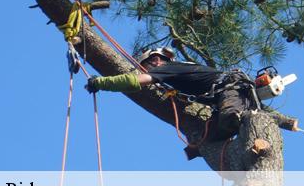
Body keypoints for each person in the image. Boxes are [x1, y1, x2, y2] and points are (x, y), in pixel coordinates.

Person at [85, 47, 260, 140]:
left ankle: (248, 126)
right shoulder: (178, 73)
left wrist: (101, 82)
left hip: (232, 92)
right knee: (207, 139)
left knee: (230, 118)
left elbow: (136, 81)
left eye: (144, 68)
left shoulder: (167, 68)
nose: (145, 71)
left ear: (155, 60)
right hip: (228, 96)